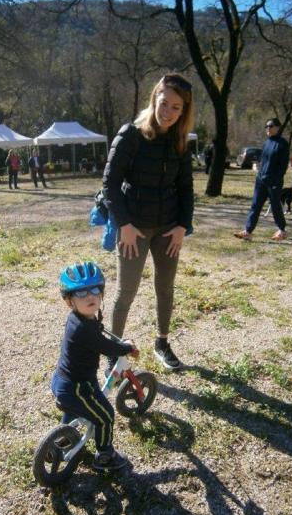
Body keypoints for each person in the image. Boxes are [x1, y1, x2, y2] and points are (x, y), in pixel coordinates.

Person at [102, 72, 194, 372]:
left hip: (168, 227)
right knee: (125, 291)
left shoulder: (180, 142)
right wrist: (124, 224)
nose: (167, 112)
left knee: (165, 288)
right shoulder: (131, 134)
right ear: (155, 97)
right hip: (134, 228)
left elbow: (186, 188)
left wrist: (182, 225)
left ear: (183, 111)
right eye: (163, 102)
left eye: (176, 107)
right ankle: (115, 352)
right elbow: (110, 184)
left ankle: (162, 342)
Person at [51, 261, 139, 471]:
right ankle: (105, 455)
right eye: (81, 293)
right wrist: (126, 347)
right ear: (69, 301)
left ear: (102, 293)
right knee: (105, 416)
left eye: (95, 290)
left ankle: (62, 440)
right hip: (78, 388)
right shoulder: (84, 329)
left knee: (76, 410)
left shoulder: (78, 318)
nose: (90, 296)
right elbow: (107, 347)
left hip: (63, 381)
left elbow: (97, 332)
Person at [234, 117, 289, 241]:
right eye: (266, 126)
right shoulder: (266, 142)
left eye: (271, 126)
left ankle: (282, 230)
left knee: (275, 206)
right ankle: (248, 232)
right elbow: (263, 161)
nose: (268, 128)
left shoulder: (283, 143)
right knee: (255, 205)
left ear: (277, 127)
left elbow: (283, 165)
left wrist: (276, 180)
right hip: (261, 179)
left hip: (273, 181)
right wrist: (259, 171)